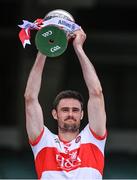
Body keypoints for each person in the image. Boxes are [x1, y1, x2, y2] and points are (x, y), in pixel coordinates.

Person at [24, 28, 107, 179]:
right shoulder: (43, 142)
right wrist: (44, 49)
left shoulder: (93, 138)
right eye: (65, 110)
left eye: (75, 110)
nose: (70, 114)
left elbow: (96, 93)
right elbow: (30, 98)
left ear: (82, 114)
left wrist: (78, 48)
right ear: (55, 114)